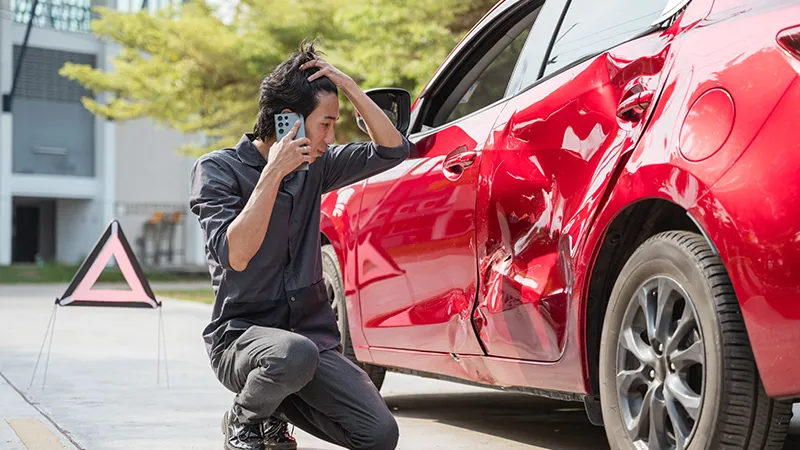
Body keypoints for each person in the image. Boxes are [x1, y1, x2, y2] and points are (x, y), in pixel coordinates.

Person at [188, 42, 410, 450]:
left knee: (378, 435)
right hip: (241, 341)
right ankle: (244, 418)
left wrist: (349, 87)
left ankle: (273, 408)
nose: (331, 136)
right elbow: (236, 254)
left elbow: (392, 150)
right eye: (325, 124)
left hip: (311, 342)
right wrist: (273, 173)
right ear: (286, 120)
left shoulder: (318, 166)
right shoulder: (216, 170)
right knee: (292, 354)